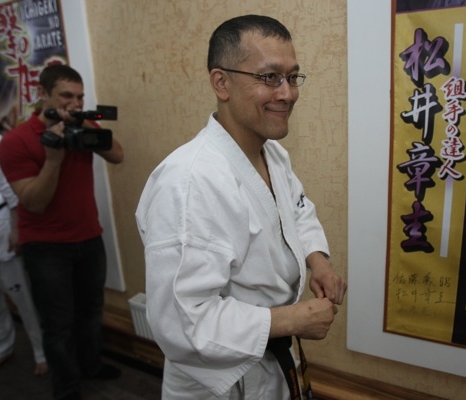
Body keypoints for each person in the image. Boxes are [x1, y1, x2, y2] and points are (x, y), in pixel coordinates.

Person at [136, 14, 347, 400]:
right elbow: (181, 321)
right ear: (221, 83)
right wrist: (290, 319)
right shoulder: (188, 182)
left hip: (271, 361)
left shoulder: (274, 155)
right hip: (219, 380)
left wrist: (318, 261)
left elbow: (298, 210)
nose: (287, 93)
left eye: (292, 77)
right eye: (270, 77)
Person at [0, 64, 124, 400]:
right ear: (43, 95)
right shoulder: (15, 142)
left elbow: (117, 155)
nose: (75, 103)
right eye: (66, 96)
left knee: (91, 311)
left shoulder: (81, 124)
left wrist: (85, 125)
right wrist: (53, 158)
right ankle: (66, 387)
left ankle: (91, 365)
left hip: (89, 236)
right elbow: (34, 203)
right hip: (46, 248)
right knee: (58, 323)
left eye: (80, 97)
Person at [0, 129, 48, 376]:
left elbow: (9, 186)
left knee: (21, 295)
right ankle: (1, 346)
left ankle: (41, 351)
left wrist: (16, 226)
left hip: (0, 222)